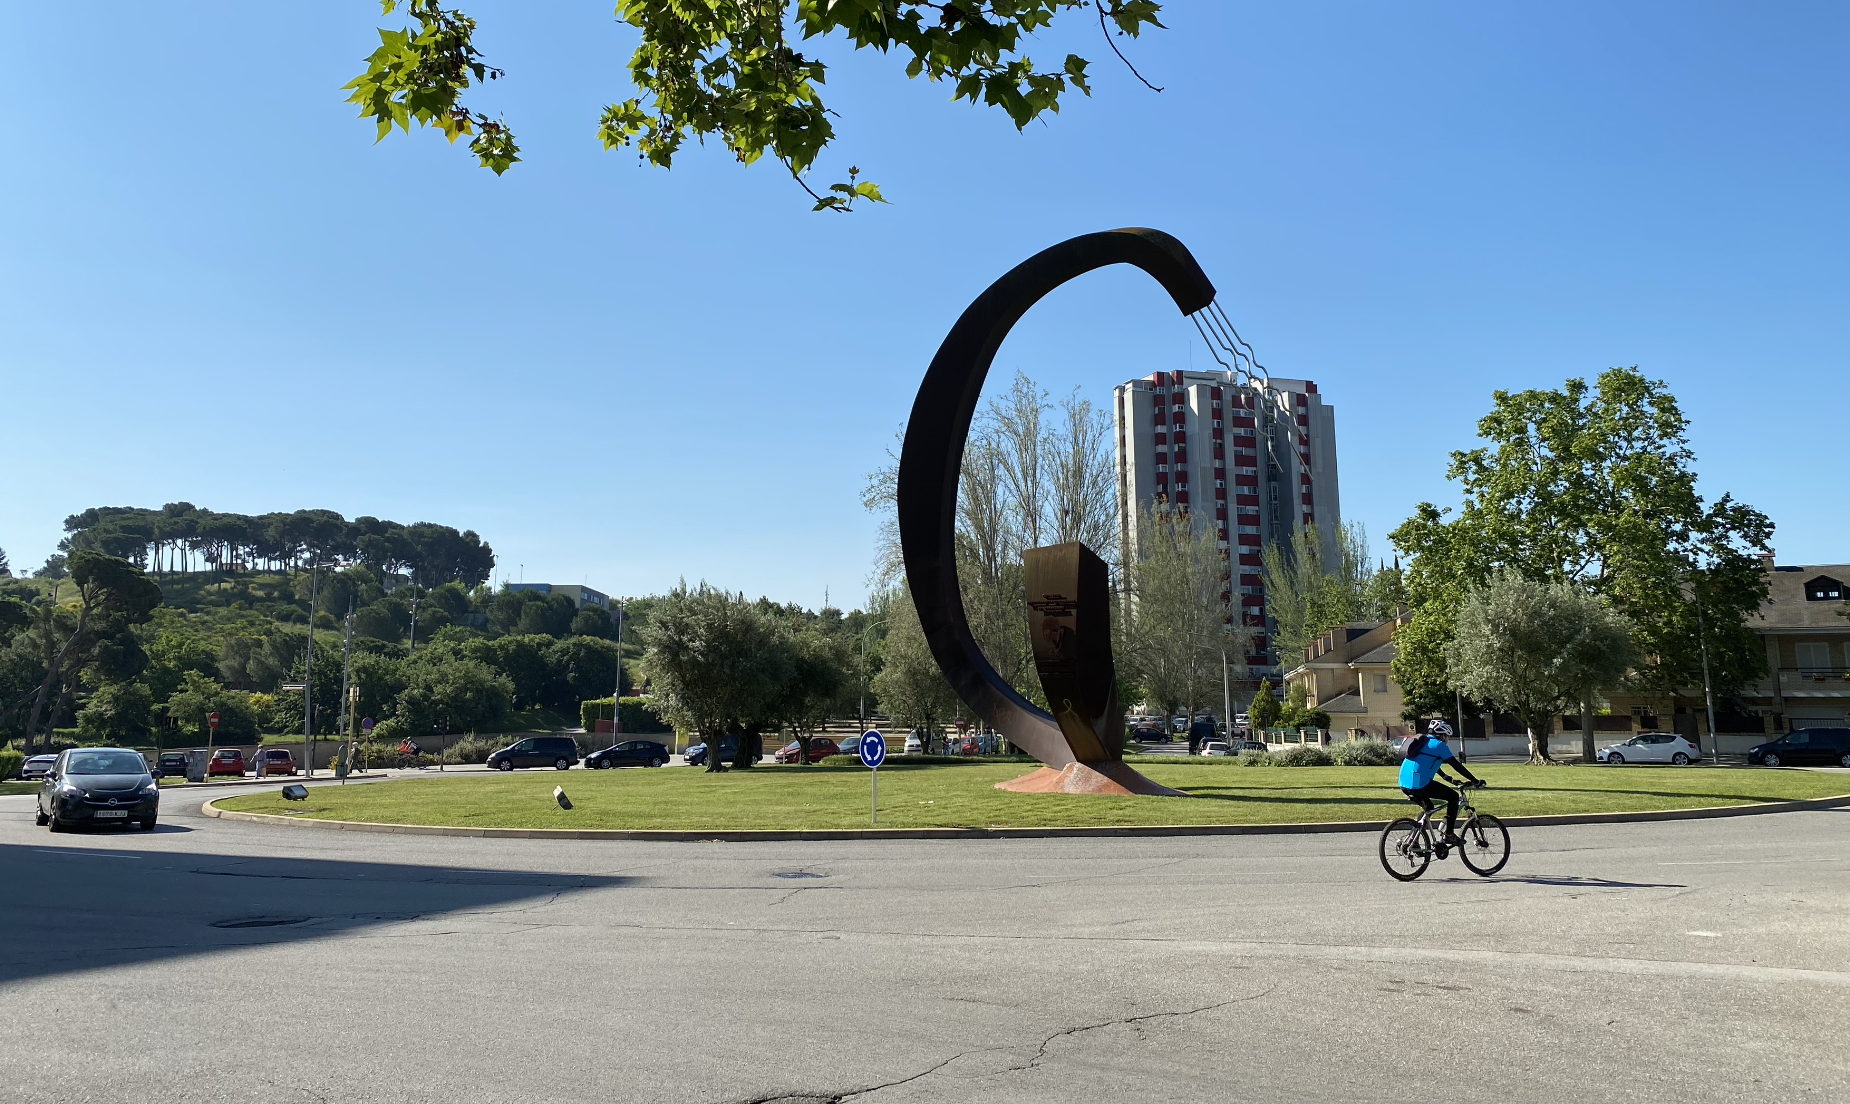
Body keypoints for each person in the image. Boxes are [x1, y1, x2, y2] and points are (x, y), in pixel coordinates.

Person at [1399, 721, 1482, 850]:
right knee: (1453, 797)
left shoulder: (1423, 742)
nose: (1447, 740)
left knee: (1429, 808)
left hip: (1404, 783)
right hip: (1419, 783)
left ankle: (1413, 840)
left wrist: (1445, 777)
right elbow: (1456, 765)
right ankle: (1449, 834)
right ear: (1442, 735)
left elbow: (1427, 762)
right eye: (1447, 737)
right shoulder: (1439, 745)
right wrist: (1475, 781)